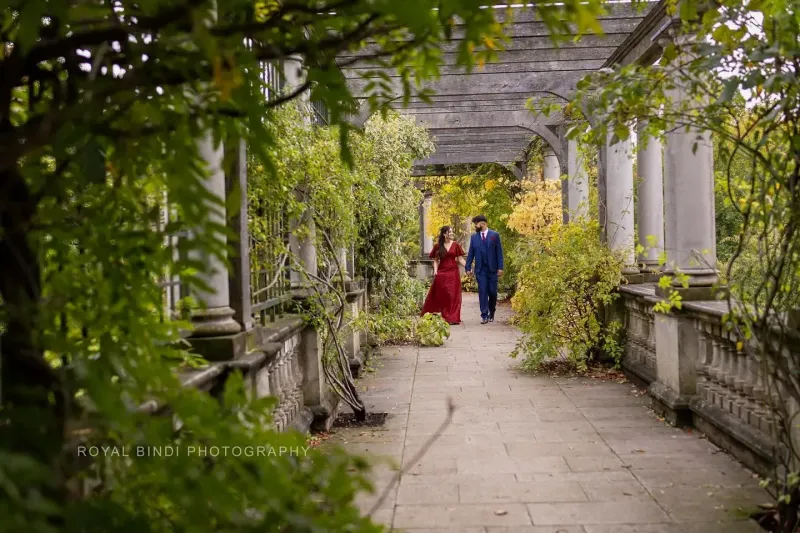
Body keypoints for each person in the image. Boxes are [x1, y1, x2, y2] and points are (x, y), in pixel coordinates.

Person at [421, 226, 466, 325]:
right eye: (450, 232)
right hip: (442, 271)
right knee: (443, 294)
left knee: (453, 295)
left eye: (452, 231)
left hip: (453, 272)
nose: (452, 233)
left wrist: (468, 267)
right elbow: (436, 260)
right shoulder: (438, 246)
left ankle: (452, 317)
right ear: (444, 234)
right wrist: (435, 271)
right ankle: (441, 314)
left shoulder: (456, 245)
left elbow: (460, 259)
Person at [464, 215, 504, 324]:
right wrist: (468, 267)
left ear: (483, 224)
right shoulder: (474, 237)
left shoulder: (494, 236)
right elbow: (471, 253)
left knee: (492, 292)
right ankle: (484, 315)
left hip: (492, 269)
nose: (475, 226)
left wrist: (500, 267)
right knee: (482, 292)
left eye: (476, 224)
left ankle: (492, 311)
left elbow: (499, 253)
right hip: (480, 270)